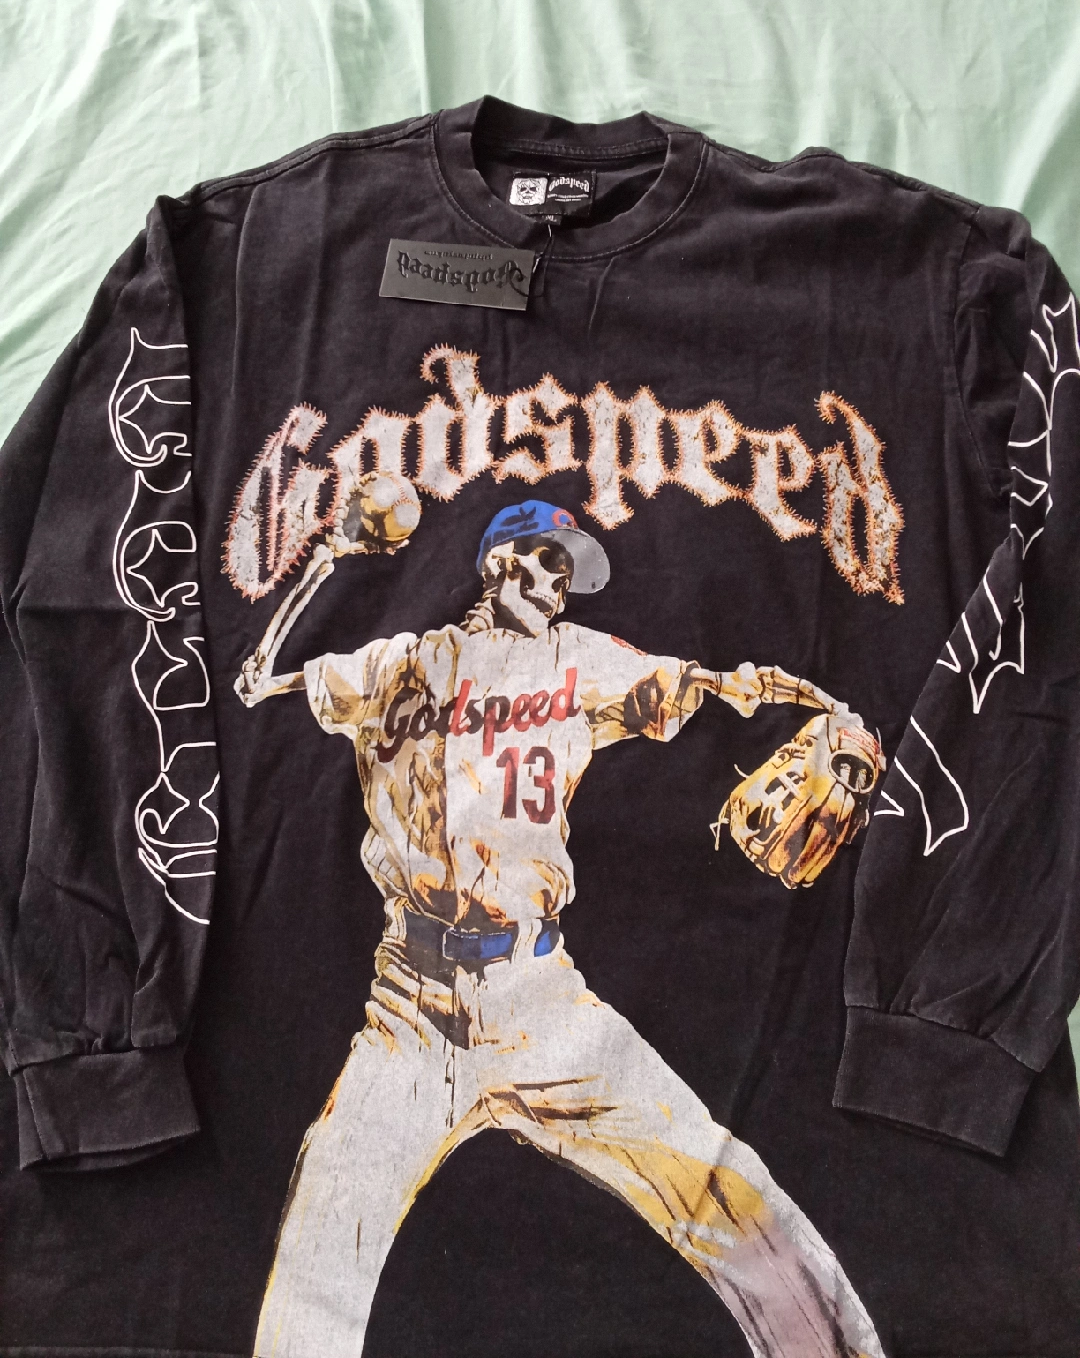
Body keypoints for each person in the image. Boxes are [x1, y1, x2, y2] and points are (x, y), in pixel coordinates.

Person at [236, 496, 883, 1358]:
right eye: (548, 560)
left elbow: (713, 684)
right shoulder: (400, 663)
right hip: (409, 1009)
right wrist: (330, 558)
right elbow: (259, 684)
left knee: (715, 1177)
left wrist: (818, 703)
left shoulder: (581, 661)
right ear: (501, 561)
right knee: (325, 1227)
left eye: (569, 570)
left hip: (536, 996)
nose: (559, 582)